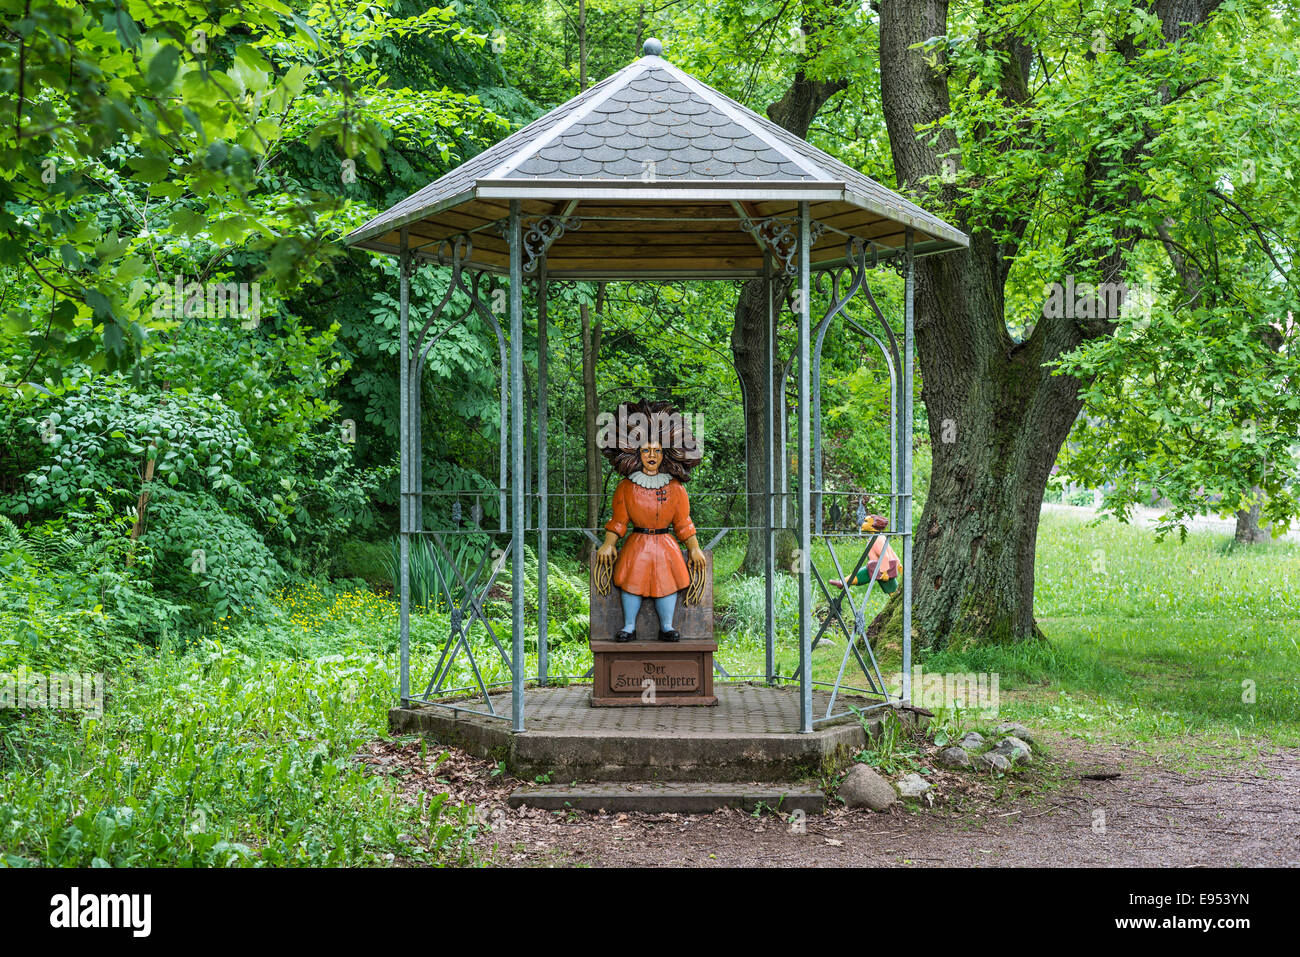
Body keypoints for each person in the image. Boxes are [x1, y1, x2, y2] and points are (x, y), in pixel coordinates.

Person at [594, 400, 705, 642]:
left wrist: (694, 548)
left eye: (656, 451)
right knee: (631, 582)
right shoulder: (626, 486)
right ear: (636, 453)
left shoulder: (676, 488)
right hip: (638, 543)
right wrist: (609, 543)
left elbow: (684, 522)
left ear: (665, 454)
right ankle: (629, 626)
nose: (651, 456)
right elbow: (619, 520)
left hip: (666, 544)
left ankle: (667, 626)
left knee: (667, 583)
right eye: (645, 450)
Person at [829, 514, 901, 594]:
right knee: (862, 574)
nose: (863, 524)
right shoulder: (880, 537)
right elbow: (891, 552)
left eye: (866, 522)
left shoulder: (877, 539)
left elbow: (885, 555)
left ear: (873, 525)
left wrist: (885, 572)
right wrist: (899, 565)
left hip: (881, 569)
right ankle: (842, 583)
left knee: (892, 590)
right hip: (875, 567)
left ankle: (842, 583)